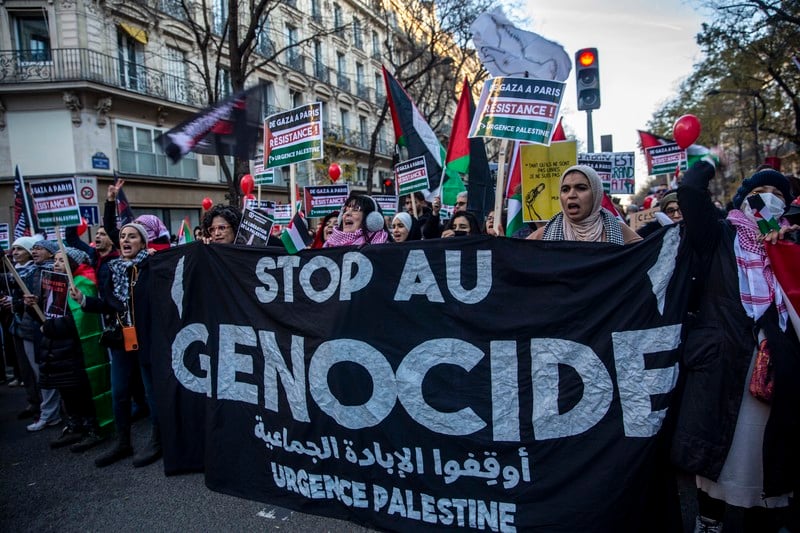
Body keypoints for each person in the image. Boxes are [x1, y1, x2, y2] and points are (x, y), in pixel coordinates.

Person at [672, 161, 800, 533]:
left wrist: (786, 250)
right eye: (761, 193)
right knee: (720, 453)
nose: (769, 199)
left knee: (764, 457)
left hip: (777, 371)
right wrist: (704, 166)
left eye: (778, 195)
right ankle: (709, 520)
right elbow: (692, 198)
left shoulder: (790, 245)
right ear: (744, 200)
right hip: (723, 363)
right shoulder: (720, 236)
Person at [70, 222, 161, 468]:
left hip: (147, 340)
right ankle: (123, 442)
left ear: (143, 242)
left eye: (132, 236)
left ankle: (158, 440)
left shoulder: (151, 266)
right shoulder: (113, 268)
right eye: (123, 236)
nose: (126, 240)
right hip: (121, 340)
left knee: (152, 394)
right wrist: (85, 301)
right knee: (119, 392)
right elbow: (109, 304)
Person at [24, 248, 107, 452]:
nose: (56, 264)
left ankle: (92, 429)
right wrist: (32, 307)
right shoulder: (53, 286)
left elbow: (79, 321)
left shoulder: (83, 285)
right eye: (55, 260)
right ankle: (75, 425)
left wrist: (50, 328)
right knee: (67, 392)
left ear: (72, 263)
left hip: (76, 351)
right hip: (57, 351)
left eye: (62, 260)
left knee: (82, 392)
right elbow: (47, 318)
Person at [527, 165, 642, 244]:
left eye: (581, 188)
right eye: (565, 189)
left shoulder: (622, 234)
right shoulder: (540, 239)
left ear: (596, 194)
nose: (571, 195)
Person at [23, 239, 62, 431]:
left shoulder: (54, 274)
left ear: (50, 252)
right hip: (36, 328)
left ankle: (53, 414)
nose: (34, 251)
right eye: (33, 248)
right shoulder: (31, 272)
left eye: (39, 248)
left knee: (51, 372)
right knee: (43, 372)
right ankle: (50, 413)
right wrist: (30, 305)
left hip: (54, 329)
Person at [324, 194, 389, 247]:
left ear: (371, 218)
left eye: (355, 209)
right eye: (345, 210)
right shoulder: (329, 246)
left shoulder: (384, 247)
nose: (347, 213)